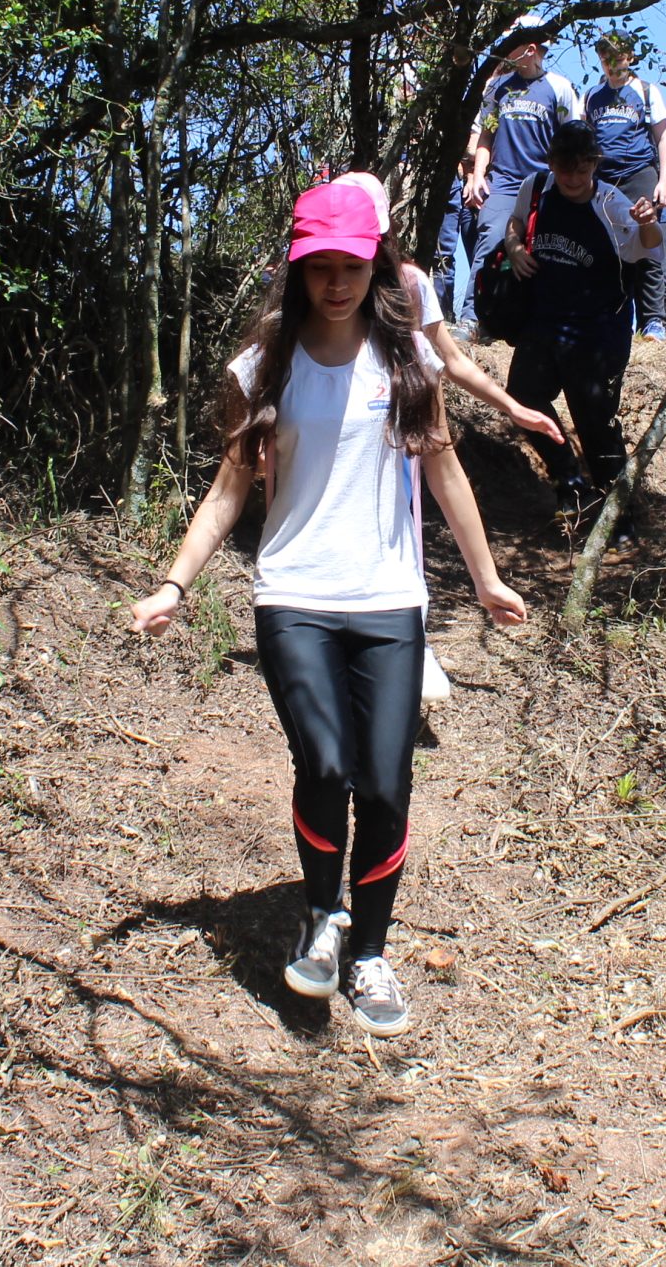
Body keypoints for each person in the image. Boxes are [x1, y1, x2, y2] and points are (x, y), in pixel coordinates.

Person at [131, 182, 527, 1037]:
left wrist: (486, 577)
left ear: (374, 265)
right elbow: (230, 487)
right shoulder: (265, 364)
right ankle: (320, 916)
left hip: (389, 600)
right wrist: (175, 583)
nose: (338, 283)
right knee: (326, 764)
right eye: (321, 269)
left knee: (385, 783)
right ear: (300, 269)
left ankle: (372, 953)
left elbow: (447, 473)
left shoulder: (409, 364)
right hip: (295, 596)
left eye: (353, 267)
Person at [330, 172, 564, 702]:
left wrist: (513, 407)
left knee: (404, 522)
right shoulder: (319, 284)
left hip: (399, 422)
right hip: (341, 428)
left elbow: (452, 361)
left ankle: (406, 646)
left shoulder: (410, 284)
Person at [499, 122, 664, 517]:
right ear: (552, 163)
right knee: (522, 397)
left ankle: (618, 519)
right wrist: (515, 247)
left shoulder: (611, 204)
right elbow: (516, 221)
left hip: (598, 332)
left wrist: (646, 222)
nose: (572, 178)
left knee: (595, 425)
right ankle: (570, 484)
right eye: (564, 167)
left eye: (581, 169)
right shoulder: (537, 187)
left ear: (594, 165)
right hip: (544, 321)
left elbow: (649, 246)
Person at [465, 26, 583, 300]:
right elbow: (486, 134)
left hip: (544, 185)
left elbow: (573, 139)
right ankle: (474, 315)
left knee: (546, 250)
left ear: (530, 49)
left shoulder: (559, 88)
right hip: (502, 182)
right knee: (490, 242)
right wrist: (479, 175)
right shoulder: (497, 87)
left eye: (513, 43)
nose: (506, 49)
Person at [582, 33, 666, 339]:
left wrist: (664, 180)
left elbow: (664, 136)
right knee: (609, 251)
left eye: (618, 56)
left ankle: (653, 322)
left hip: (641, 174)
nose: (612, 63)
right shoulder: (593, 96)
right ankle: (613, 320)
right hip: (605, 180)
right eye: (605, 57)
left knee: (648, 246)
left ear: (630, 57)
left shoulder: (646, 91)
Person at [433, 163, 482, 335]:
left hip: (455, 178)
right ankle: (438, 315)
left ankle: (446, 316)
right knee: (440, 255)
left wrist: (470, 174)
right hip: (429, 173)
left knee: (444, 256)